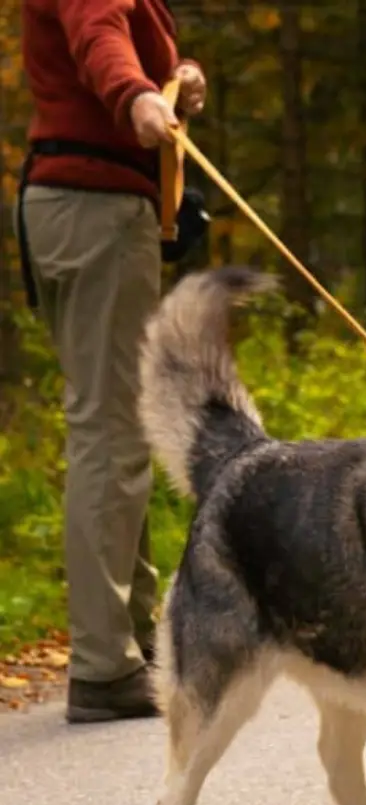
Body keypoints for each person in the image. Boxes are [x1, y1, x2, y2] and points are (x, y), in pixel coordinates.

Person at [17, 0, 206, 723]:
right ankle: (103, 666)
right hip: (94, 210)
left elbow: (115, 40)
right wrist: (133, 97)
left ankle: (127, 640)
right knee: (111, 430)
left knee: (116, 420)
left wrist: (176, 79)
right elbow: (96, 33)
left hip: (86, 205)